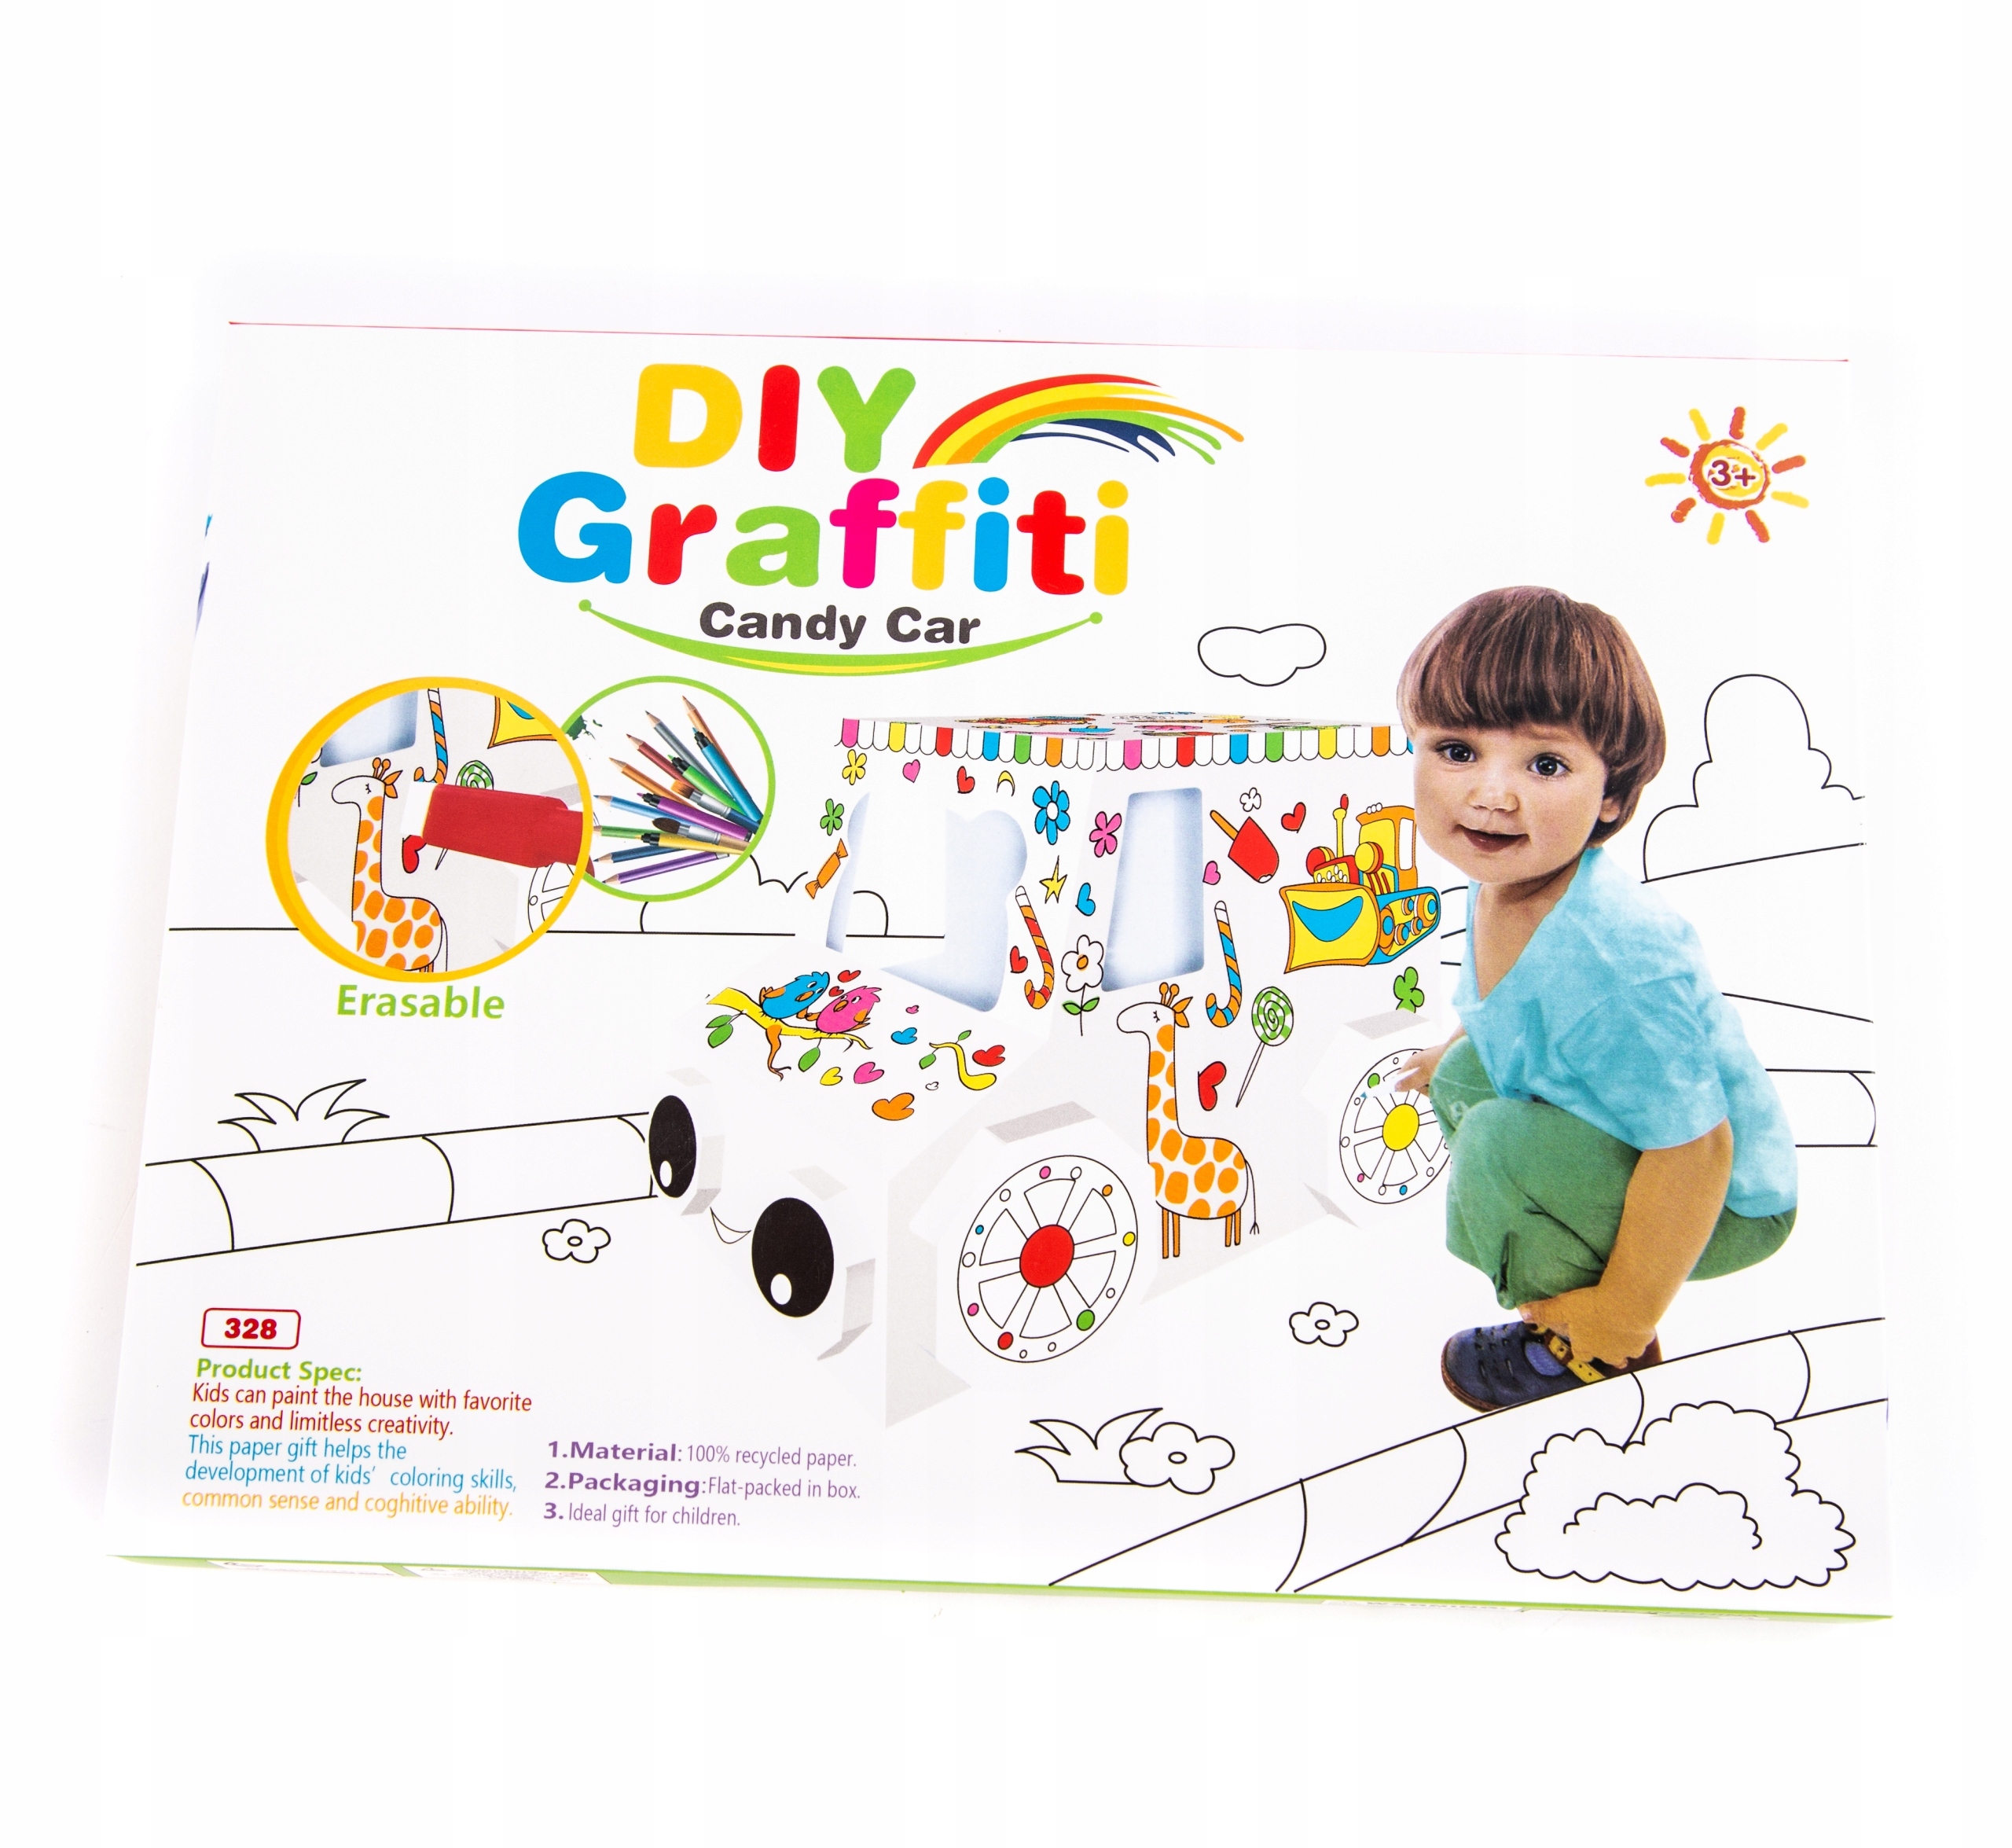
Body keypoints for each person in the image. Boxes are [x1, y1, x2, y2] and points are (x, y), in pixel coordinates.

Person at [1390, 587, 1797, 1412]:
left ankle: (1589, 1344)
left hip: (1723, 1199)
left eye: (1545, 764)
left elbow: (1699, 1150)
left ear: (1610, 795)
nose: (1491, 793)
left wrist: (1624, 1311)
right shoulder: (1509, 881)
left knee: (1496, 1140)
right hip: (1648, 1141)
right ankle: (1584, 1275)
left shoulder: (1615, 962)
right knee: (1464, 1078)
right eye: (1457, 750)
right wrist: (1454, 1049)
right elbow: (1513, 1005)